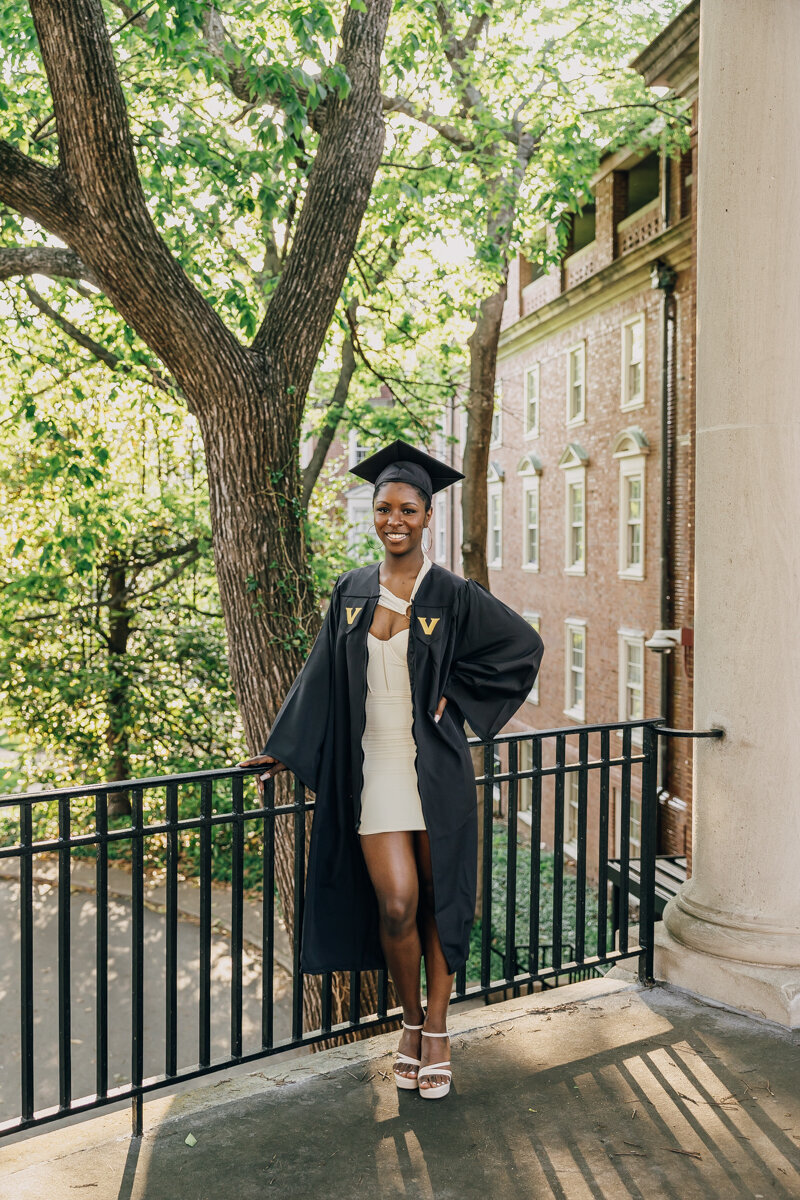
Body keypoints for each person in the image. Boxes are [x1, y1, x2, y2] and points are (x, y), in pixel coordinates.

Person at [239, 439, 544, 1099]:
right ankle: (409, 1015)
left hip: (433, 771)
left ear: (428, 515)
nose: (394, 519)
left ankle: (434, 1029)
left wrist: (458, 696)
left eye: (408, 508)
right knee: (399, 904)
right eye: (384, 508)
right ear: (373, 512)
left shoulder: (454, 595)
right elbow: (319, 674)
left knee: (439, 901)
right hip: (373, 772)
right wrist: (282, 746)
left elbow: (523, 646)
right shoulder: (349, 591)